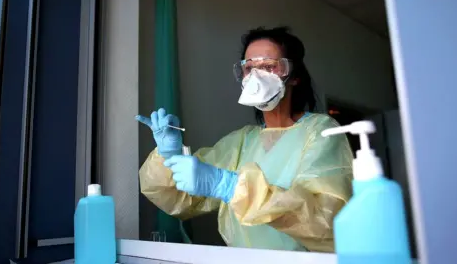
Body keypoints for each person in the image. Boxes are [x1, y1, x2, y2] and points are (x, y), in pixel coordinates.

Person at [136, 26, 353, 252]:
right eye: (249, 68)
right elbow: (182, 199)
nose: (256, 75)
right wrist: (168, 156)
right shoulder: (241, 141)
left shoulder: (320, 131)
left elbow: (326, 221)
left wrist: (231, 187)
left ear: (294, 76)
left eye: (268, 66)